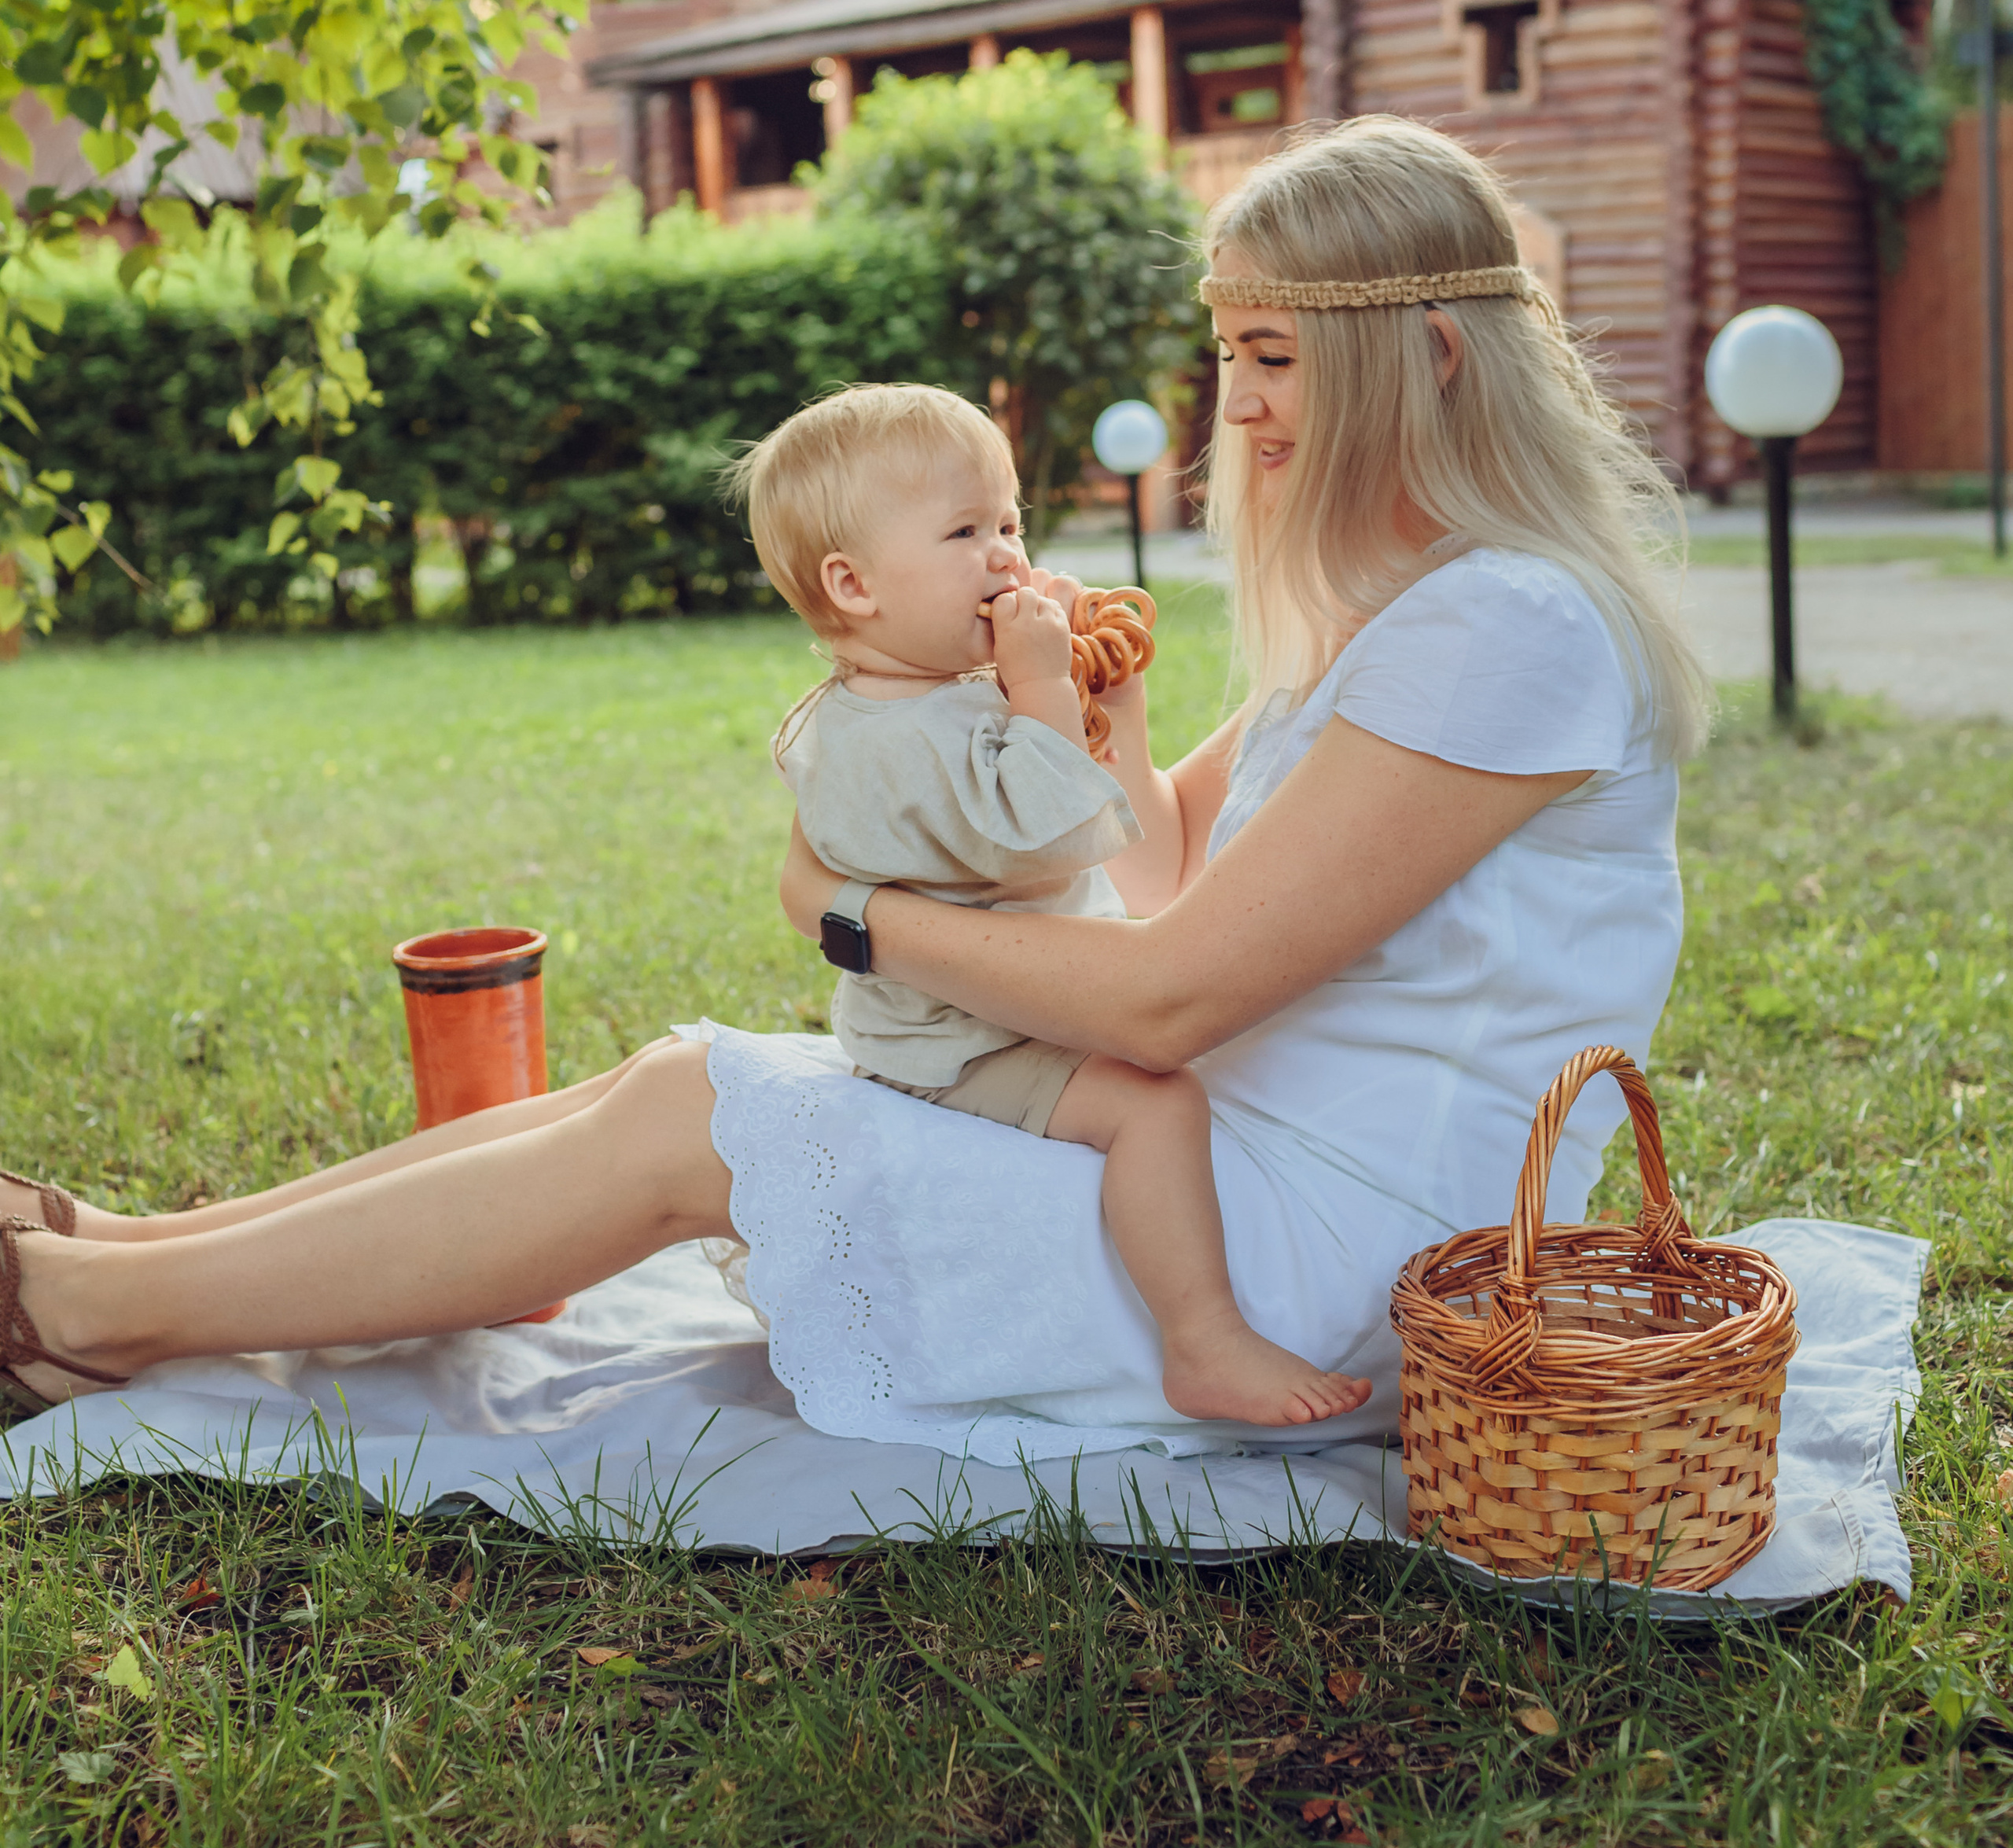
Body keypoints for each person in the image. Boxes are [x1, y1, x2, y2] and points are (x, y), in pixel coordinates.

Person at [0, 117, 1710, 1469]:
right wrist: (1102, 722)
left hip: (1321, 1242)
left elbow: (1173, 991)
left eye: (1270, 357)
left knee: (696, 1123)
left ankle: (85, 1313)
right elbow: (1171, 861)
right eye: (1230, 354)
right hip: (1208, 1156)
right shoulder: (1408, 613)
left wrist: (852, 918)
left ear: (1421, 358)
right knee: (683, 1080)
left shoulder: (1504, 627)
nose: (1237, 407)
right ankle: (138, 1255)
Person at [727, 381, 1367, 1429]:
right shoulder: (883, 742)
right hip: (960, 1042)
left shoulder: (922, 691)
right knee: (1156, 1105)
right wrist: (1041, 693)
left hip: (988, 1001)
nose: (1005, 555)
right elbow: (1056, 842)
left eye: (1011, 522)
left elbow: (1073, 801)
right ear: (854, 586)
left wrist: (1073, 682)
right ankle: (1202, 1341)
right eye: (965, 531)